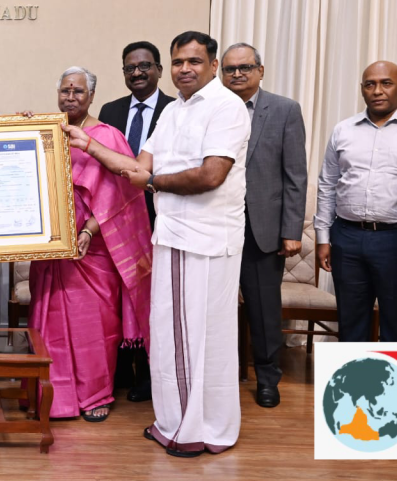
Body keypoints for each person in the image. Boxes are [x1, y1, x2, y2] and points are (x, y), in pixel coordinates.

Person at [63, 31, 250, 457]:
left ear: (213, 66)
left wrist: (152, 182)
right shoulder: (172, 112)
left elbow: (211, 175)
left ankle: (199, 429)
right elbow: (135, 168)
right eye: (179, 61)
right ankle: (173, 421)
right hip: (169, 235)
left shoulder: (226, 107)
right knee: (168, 335)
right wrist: (87, 143)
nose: (185, 69)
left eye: (195, 61)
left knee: (200, 339)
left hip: (205, 241)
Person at [29, 67, 152, 422]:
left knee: (94, 328)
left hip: (94, 249)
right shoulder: (45, 132)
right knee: (50, 324)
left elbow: (122, 197)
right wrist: (21, 126)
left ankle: (96, 395)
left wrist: (88, 231)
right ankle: (51, 397)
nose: (70, 97)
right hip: (52, 249)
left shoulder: (108, 136)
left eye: (78, 91)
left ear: (92, 96)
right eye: (65, 91)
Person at [314, 61, 397, 343]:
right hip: (347, 238)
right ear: (362, 89)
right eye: (370, 84)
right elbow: (327, 184)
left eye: (386, 83)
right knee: (351, 323)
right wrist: (323, 237)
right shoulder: (344, 129)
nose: (377, 90)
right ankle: (355, 373)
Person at [221, 42, 307, 409]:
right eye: (230, 69)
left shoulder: (285, 110)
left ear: (260, 70)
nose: (237, 74)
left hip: (263, 231)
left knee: (264, 310)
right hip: (217, 227)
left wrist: (291, 231)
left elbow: (296, 176)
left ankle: (268, 378)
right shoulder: (212, 110)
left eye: (245, 67)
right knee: (215, 309)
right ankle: (221, 379)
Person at [97, 40, 175, 403]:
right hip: (117, 219)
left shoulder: (175, 110)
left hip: (158, 216)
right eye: (130, 68)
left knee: (149, 298)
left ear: (159, 69)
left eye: (144, 66)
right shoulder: (110, 110)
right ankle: (120, 372)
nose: (137, 73)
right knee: (119, 297)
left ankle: (147, 375)